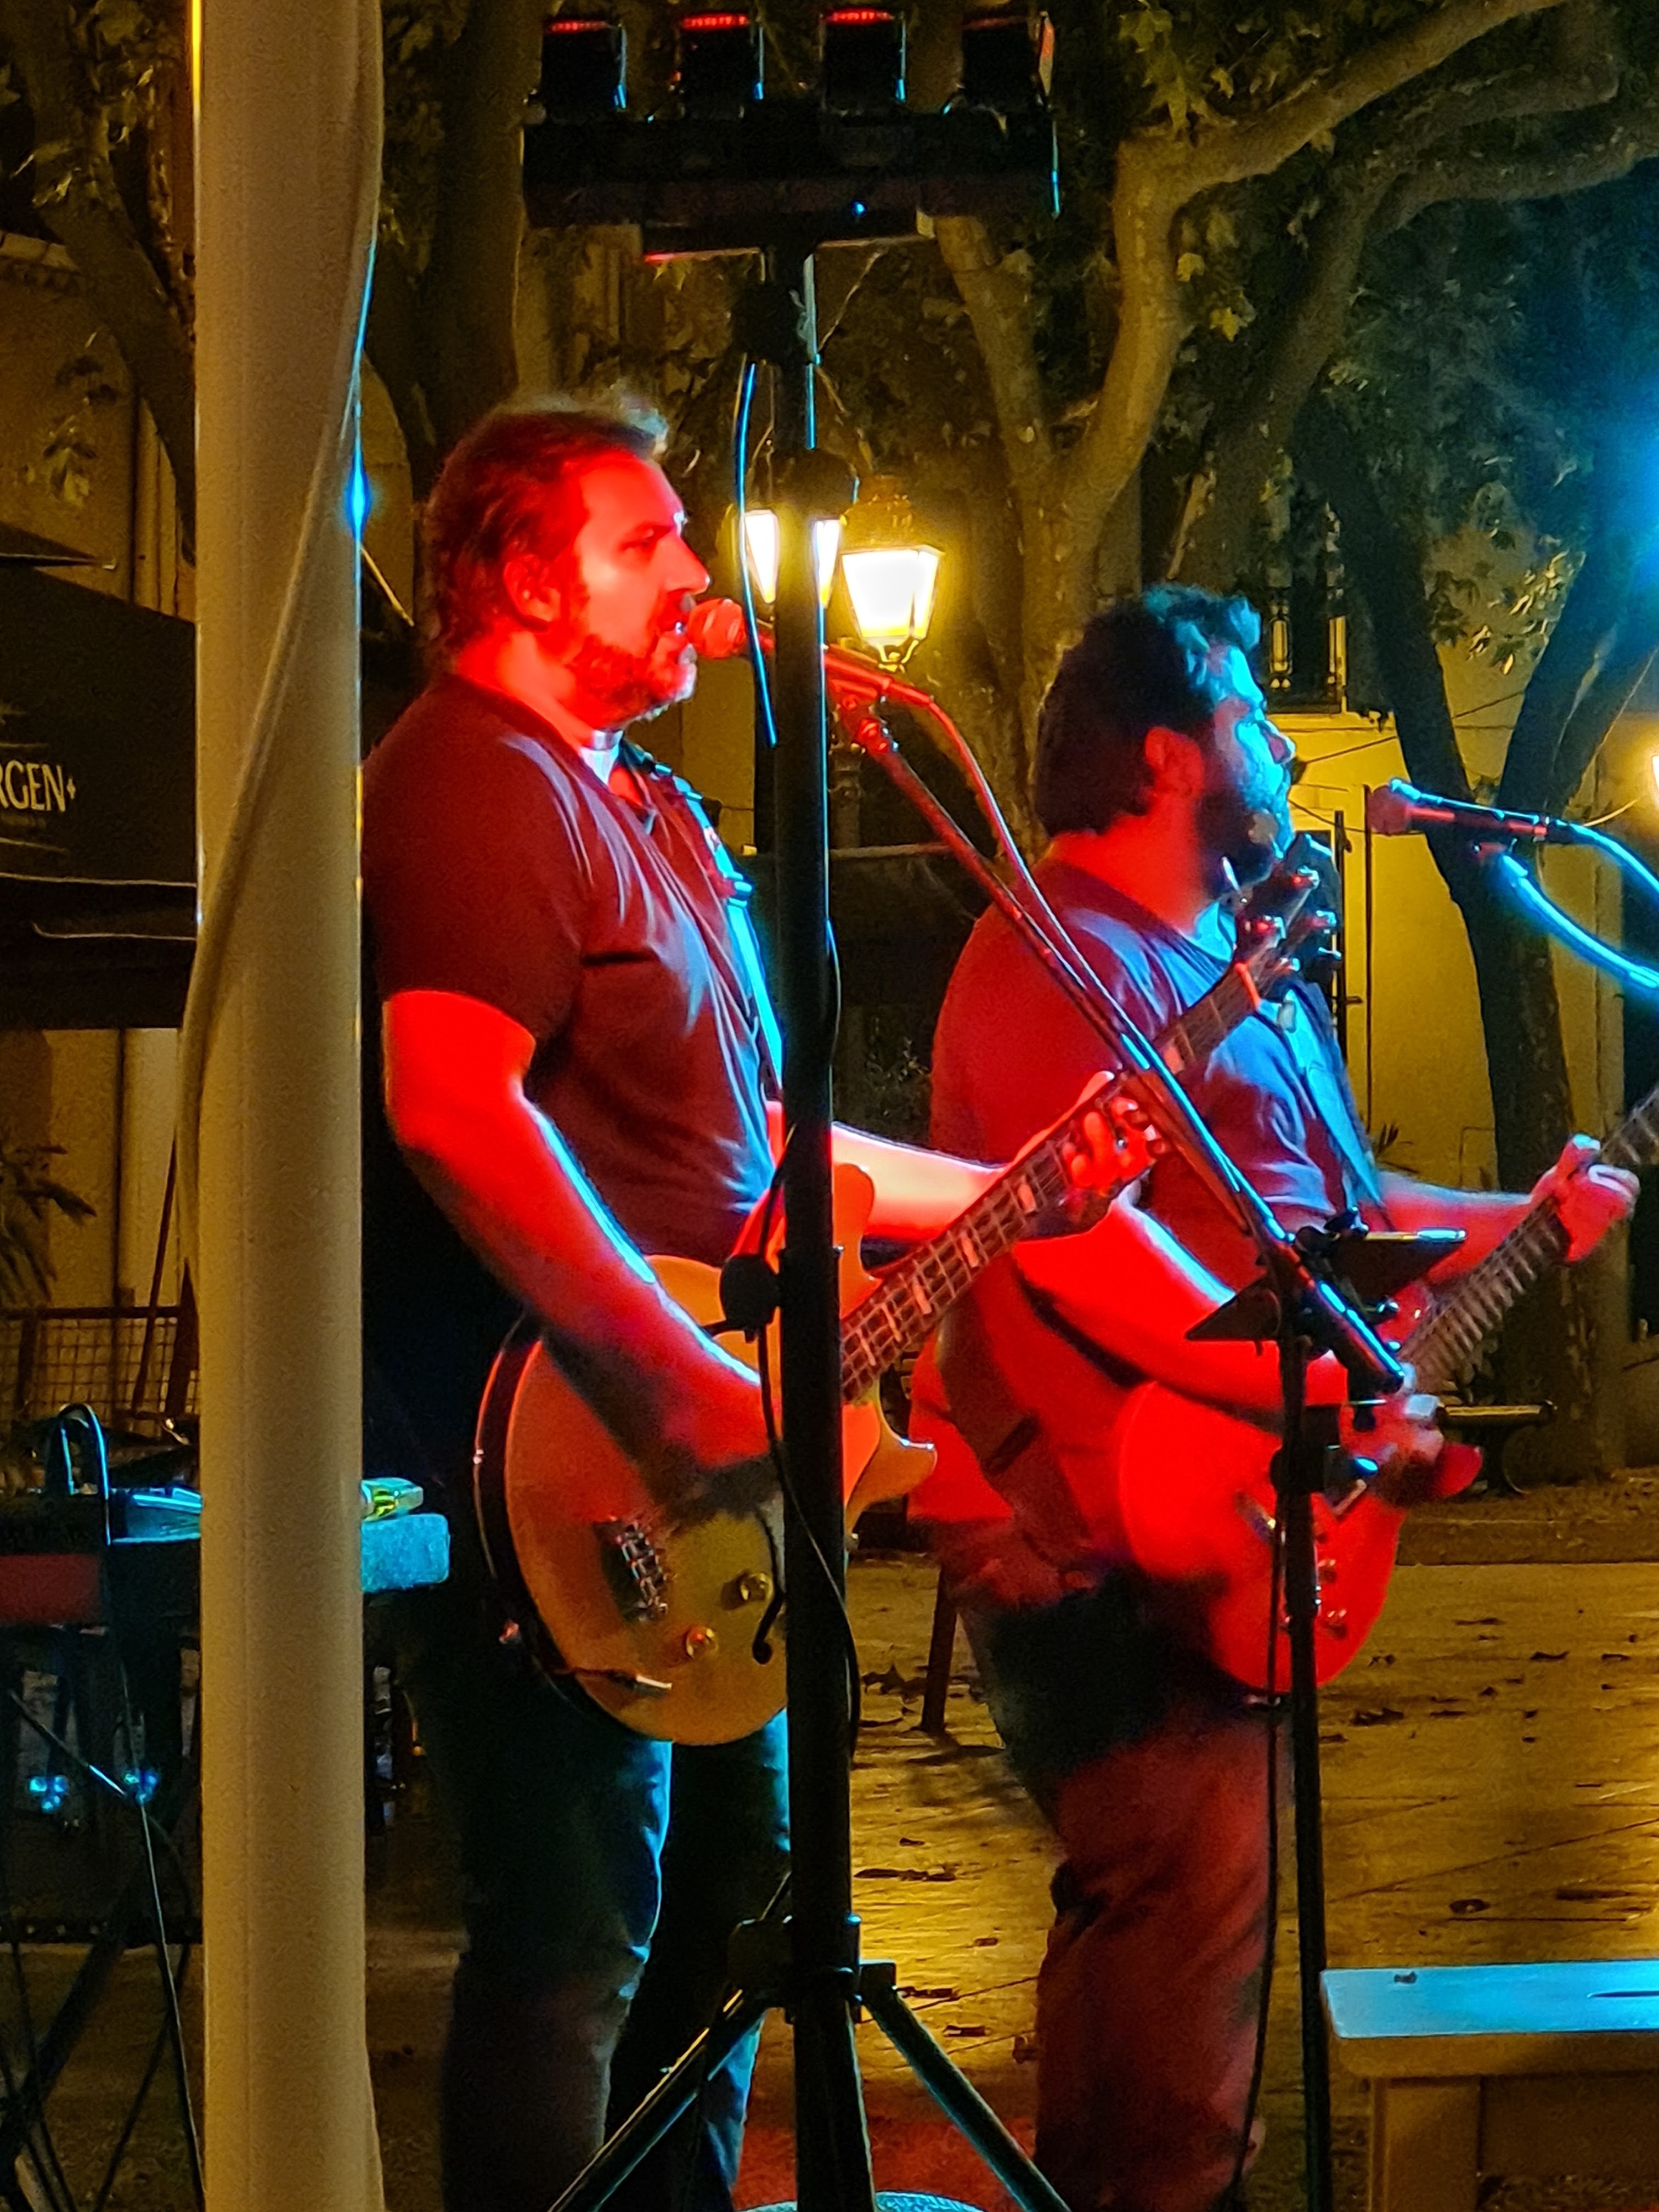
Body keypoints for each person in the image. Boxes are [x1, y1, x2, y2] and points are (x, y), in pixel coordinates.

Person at [358, 397, 1113, 2212]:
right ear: (522, 578)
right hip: (555, 1466)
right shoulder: (473, 776)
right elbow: (451, 1105)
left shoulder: (655, 810)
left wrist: (1019, 1186)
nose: (696, 573)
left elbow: (762, 1146)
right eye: (646, 543)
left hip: (713, 1476)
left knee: (723, 1920)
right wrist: (674, 1387)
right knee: (574, 1934)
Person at [907, 585, 1637, 2212]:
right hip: (1096, 1524)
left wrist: (1527, 1214)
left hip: (1240, 1501)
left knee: (1189, 1922)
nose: (1287, 755)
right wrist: (1331, 1382)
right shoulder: (1054, 961)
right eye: (1251, 715)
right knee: (1180, 1912)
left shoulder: (1250, 971)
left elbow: (1345, 1207)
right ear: (1169, 754)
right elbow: (1081, 1259)